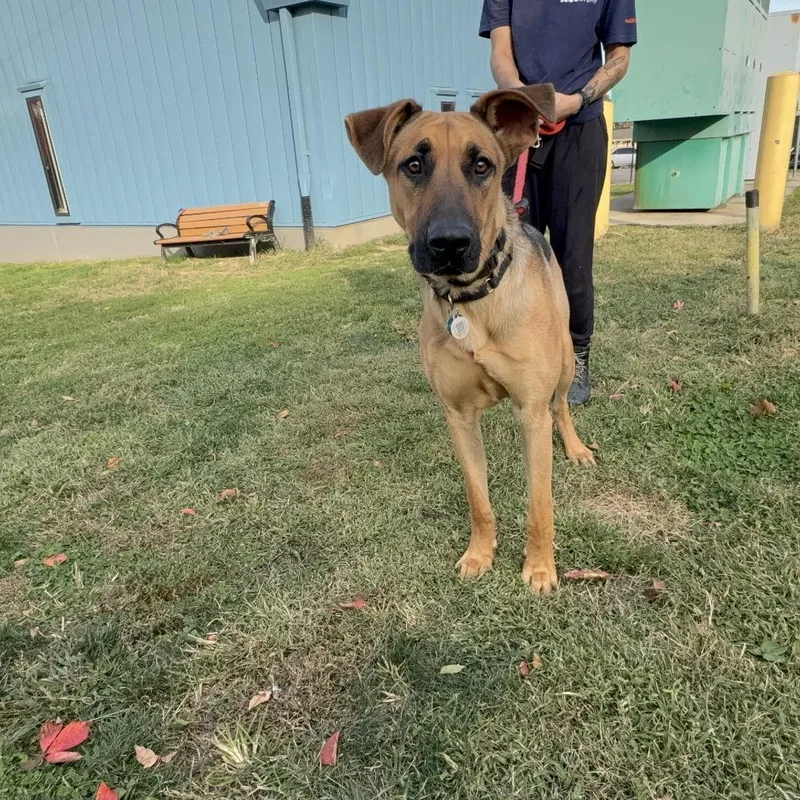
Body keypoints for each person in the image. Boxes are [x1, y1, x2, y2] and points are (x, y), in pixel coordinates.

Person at [479, 0, 637, 404]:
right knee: (510, 249)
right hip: (517, 130)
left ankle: (576, 354)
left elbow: (619, 58)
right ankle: (514, 352)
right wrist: (519, 96)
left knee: (573, 256)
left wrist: (578, 98)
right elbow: (501, 52)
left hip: (579, 130)